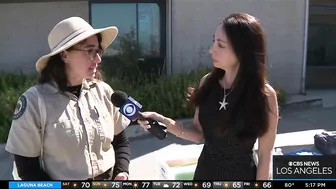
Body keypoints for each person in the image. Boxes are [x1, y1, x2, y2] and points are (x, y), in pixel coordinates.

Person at [138, 13, 279, 180]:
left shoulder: (265, 96)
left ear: (242, 50)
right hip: (204, 174)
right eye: (214, 41)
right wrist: (164, 122)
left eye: (220, 45)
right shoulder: (208, 83)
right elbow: (198, 133)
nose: (211, 49)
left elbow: (265, 155)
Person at [5, 17, 131, 180]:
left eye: (98, 51)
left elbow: (121, 142)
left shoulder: (104, 91)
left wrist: (122, 172)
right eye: (89, 51)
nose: (98, 59)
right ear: (64, 55)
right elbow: (27, 170)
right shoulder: (34, 102)